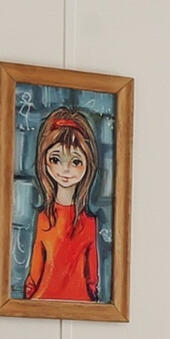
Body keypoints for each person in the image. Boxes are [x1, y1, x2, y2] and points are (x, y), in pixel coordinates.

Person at [23, 106, 103, 303]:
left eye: (75, 162)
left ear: (88, 164)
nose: (65, 170)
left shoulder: (89, 223)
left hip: (81, 308)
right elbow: (34, 277)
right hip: (40, 305)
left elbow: (92, 280)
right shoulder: (44, 219)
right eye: (56, 159)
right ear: (44, 162)